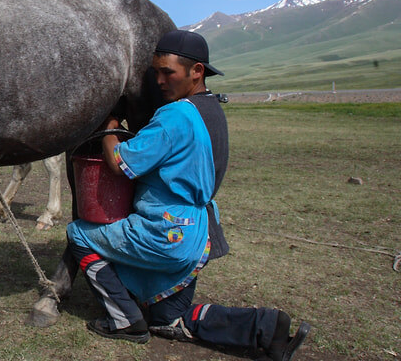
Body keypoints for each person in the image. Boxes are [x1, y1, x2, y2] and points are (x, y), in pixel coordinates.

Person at [29, 29, 309, 361]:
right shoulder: (211, 110)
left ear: (196, 71)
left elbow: (120, 163)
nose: (160, 80)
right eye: (155, 72)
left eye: (168, 72)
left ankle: (124, 321)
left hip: (164, 232)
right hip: (196, 235)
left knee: (79, 234)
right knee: (168, 320)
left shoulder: (174, 116)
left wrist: (110, 124)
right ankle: (265, 327)